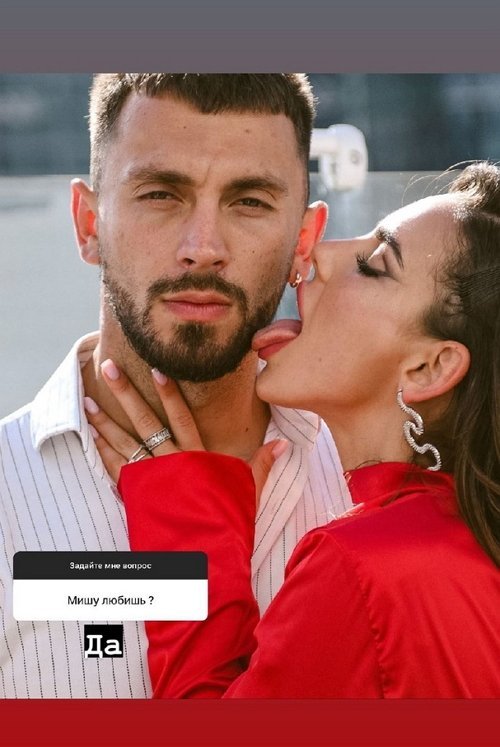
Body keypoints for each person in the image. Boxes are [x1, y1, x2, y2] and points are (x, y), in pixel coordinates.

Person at [0, 74, 352, 698]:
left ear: (304, 241)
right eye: (161, 194)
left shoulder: (371, 483)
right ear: (88, 223)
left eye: (250, 201)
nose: (203, 249)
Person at [90, 162, 500, 697]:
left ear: (429, 368)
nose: (317, 254)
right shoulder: (462, 547)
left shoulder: (363, 565)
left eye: (373, 265)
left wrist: (194, 537)